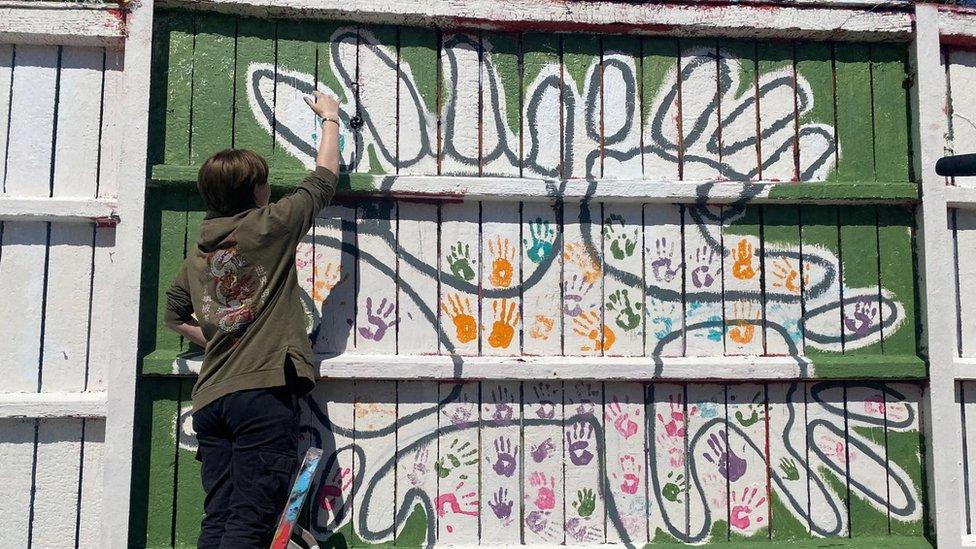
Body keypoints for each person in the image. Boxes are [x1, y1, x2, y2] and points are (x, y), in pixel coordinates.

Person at [164, 91, 341, 548]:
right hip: (260, 399)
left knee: (219, 519)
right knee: (252, 522)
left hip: (211, 401)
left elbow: (172, 314)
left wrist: (224, 335)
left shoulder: (200, 254)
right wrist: (331, 118)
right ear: (257, 191)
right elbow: (322, 181)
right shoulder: (268, 227)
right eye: (264, 184)